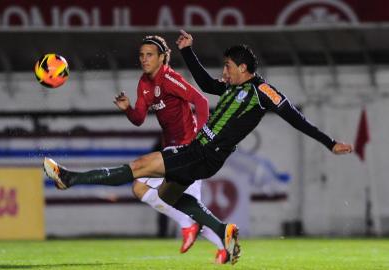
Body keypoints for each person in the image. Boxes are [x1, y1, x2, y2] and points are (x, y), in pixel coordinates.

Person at [44, 30, 352, 264]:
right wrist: (189, 51)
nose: (225, 72)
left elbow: (296, 118)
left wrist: (329, 143)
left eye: (229, 67)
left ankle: (69, 179)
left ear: (244, 68)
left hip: (202, 150)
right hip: (208, 156)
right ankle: (222, 231)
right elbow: (205, 85)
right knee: (167, 194)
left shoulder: (263, 92)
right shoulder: (232, 87)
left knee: (139, 168)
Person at [51, 35, 231, 264]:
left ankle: (215, 240)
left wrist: (199, 138)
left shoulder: (169, 78)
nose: (144, 59)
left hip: (188, 150)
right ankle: (212, 237)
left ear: (162, 58)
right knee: (148, 191)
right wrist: (127, 109)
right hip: (173, 151)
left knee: (181, 202)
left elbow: (202, 101)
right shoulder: (145, 83)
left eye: (149, 55)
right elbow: (139, 119)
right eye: (141, 55)